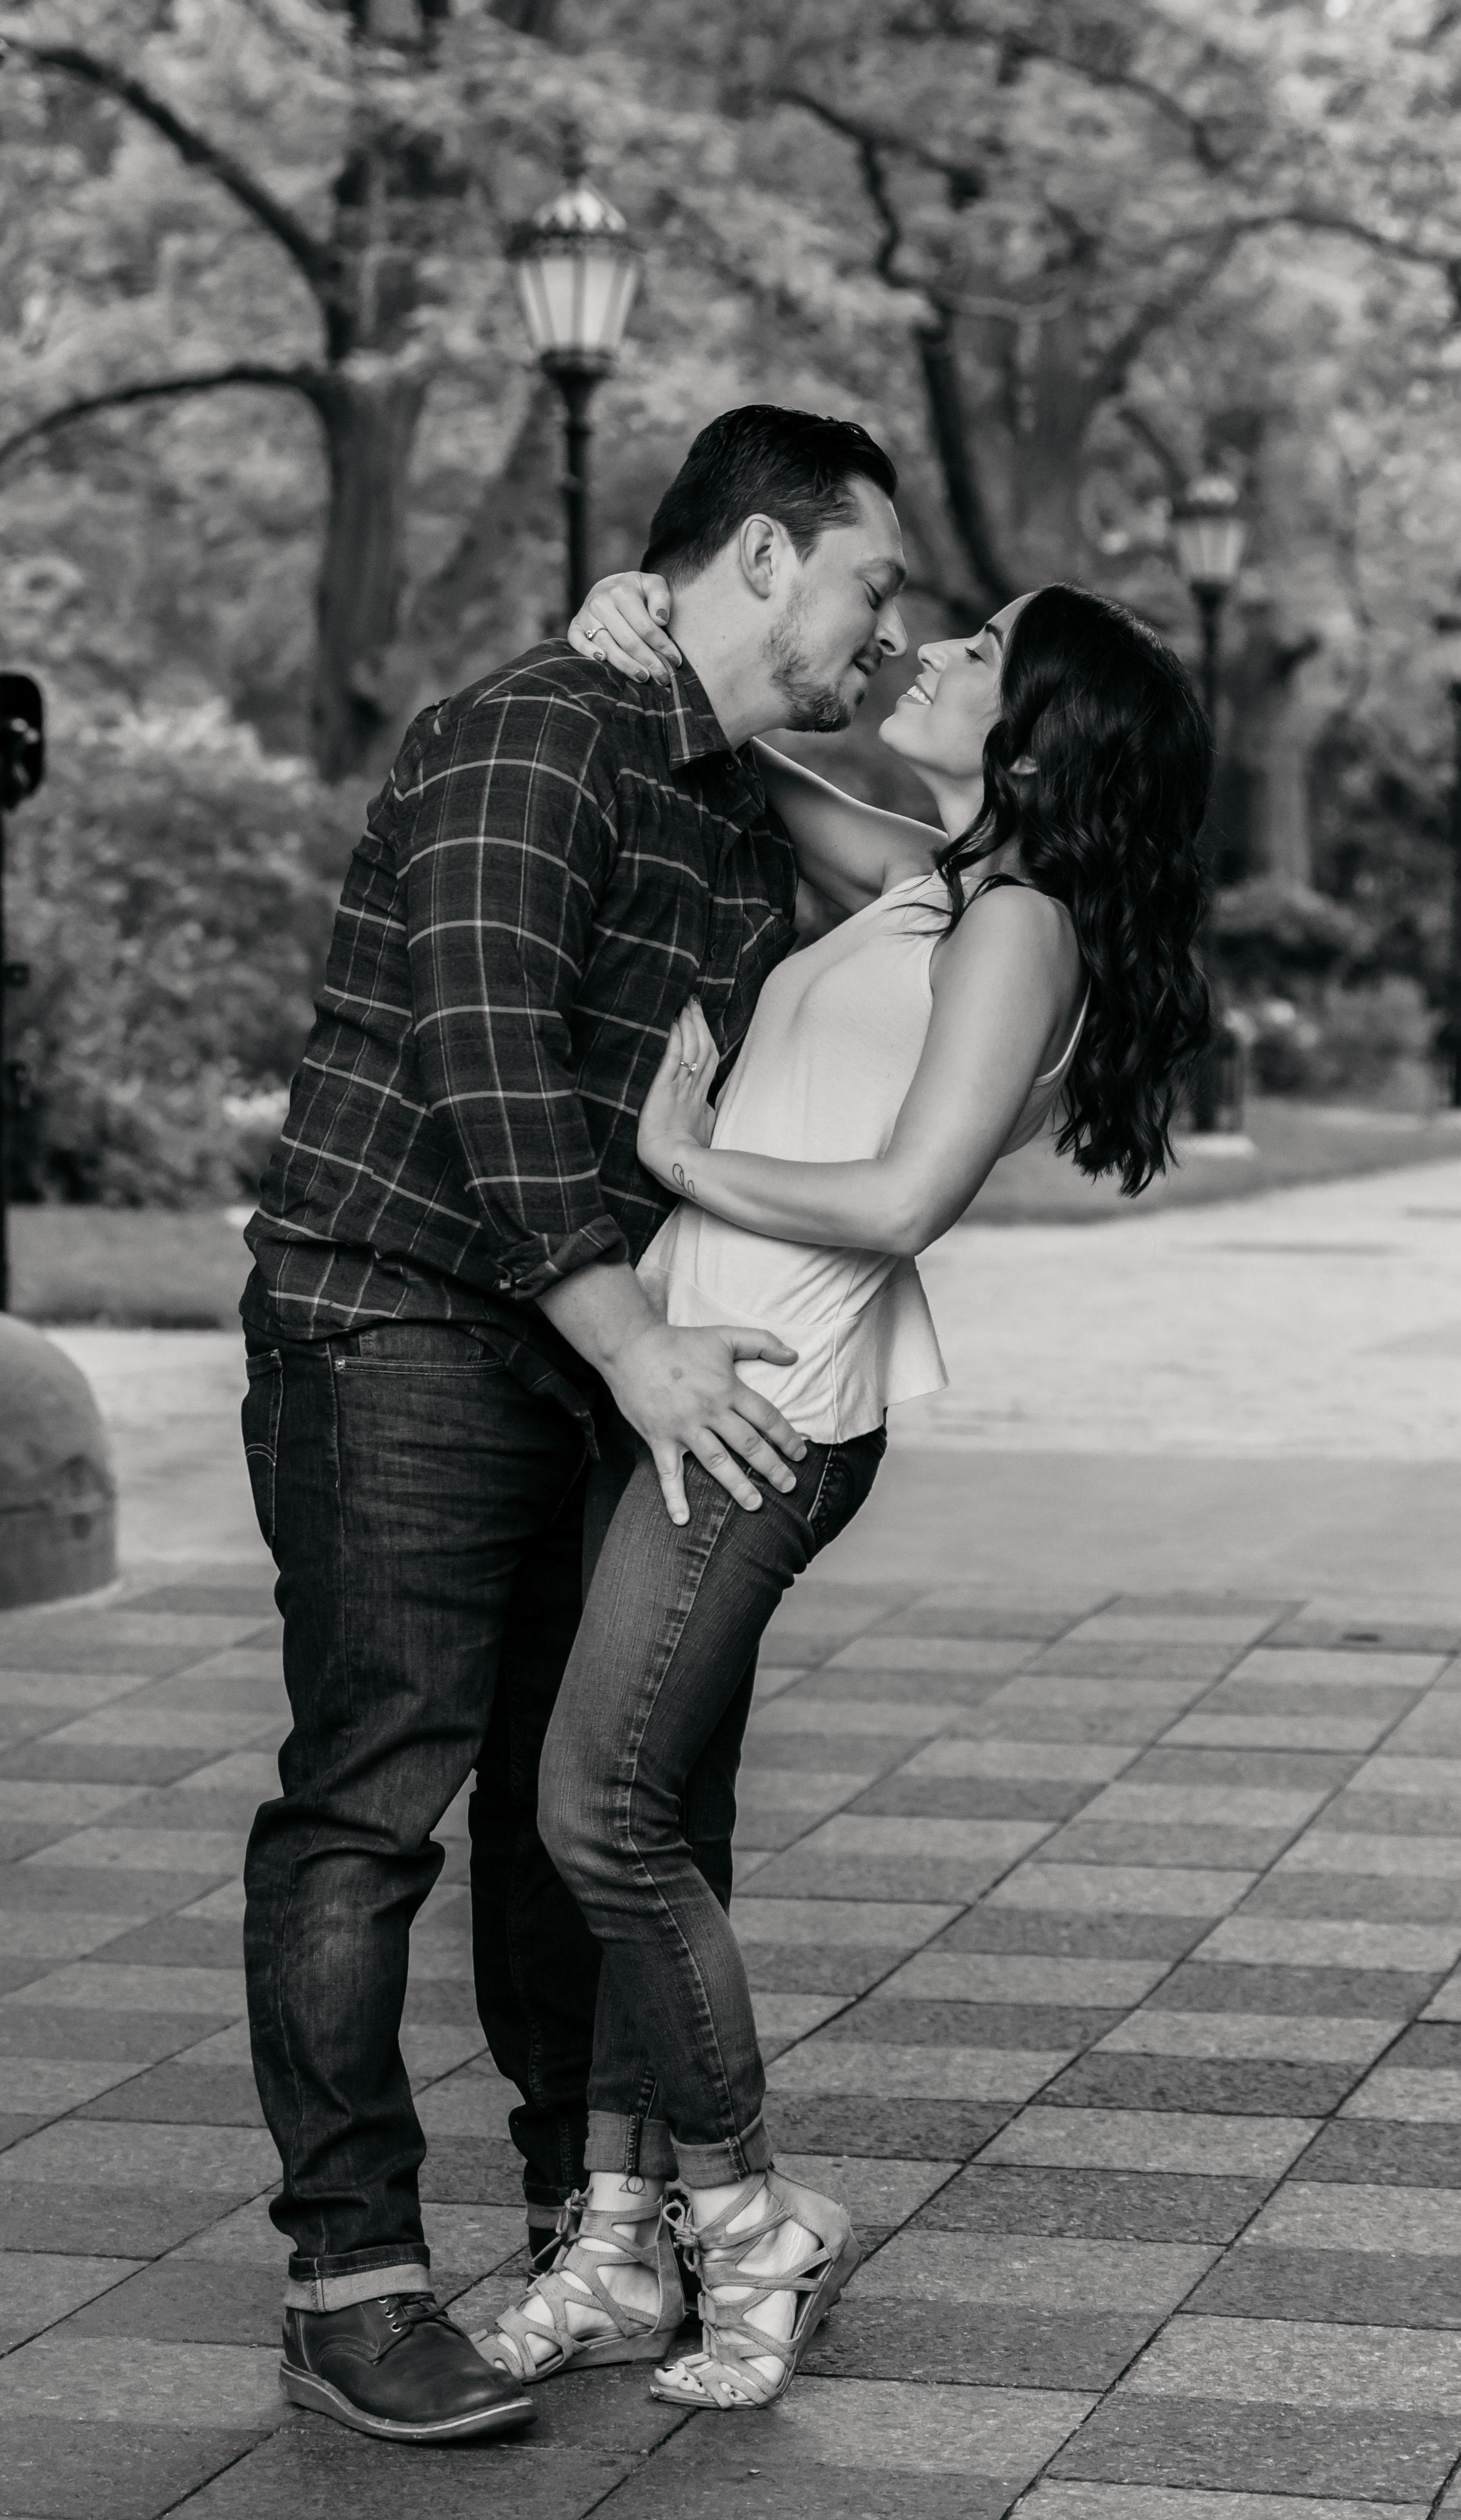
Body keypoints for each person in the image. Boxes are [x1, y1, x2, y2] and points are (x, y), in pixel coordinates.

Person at [236, 407, 913, 2444]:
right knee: (373, 1803)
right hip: (404, 1316)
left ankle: (584, 2224)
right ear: (769, 553)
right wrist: (632, 1340)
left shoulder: (728, 800)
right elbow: (490, 1060)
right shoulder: (531, 729)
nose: (888, 633)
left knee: (576, 1811)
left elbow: (945, 863)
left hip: (578, 1347)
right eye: (871, 585)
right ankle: (349, 2274)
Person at [473, 567, 1212, 2411]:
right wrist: (639, 622)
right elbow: (736, 741)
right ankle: (622, 2241)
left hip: (768, 1411)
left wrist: (676, 1155)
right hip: (689, 1386)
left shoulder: (1020, 925)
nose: (932, 649)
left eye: (979, 652)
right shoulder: (921, 876)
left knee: (595, 1817)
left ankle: (741, 2217)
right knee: (653, 1823)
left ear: (1041, 734)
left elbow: (898, 1203)